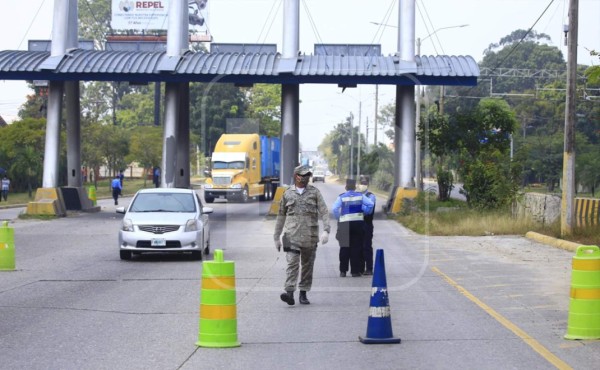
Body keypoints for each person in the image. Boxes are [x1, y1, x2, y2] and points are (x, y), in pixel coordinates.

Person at [274, 165, 331, 305]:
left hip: (310, 236)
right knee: (292, 264)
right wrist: (276, 236)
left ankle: (303, 293)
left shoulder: (315, 193)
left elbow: (324, 211)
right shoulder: (287, 194)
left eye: (308, 175)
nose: (305, 178)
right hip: (290, 236)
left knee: (307, 266)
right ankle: (289, 293)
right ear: (296, 176)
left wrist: (326, 230)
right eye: (303, 175)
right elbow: (281, 216)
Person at [332, 178, 374, 277]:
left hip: (344, 224)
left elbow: (334, 208)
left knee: (344, 247)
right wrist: (366, 211)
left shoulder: (341, 197)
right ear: (355, 187)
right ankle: (355, 271)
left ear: (346, 187)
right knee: (356, 247)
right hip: (358, 223)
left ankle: (343, 271)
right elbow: (371, 204)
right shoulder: (360, 196)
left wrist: (339, 218)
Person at [357, 175, 376, 275]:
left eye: (364, 183)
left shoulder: (371, 196)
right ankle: (360, 268)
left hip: (367, 223)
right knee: (358, 246)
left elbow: (369, 211)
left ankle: (369, 268)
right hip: (358, 224)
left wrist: (359, 207)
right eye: (361, 183)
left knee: (367, 246)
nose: (362, 185)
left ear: (368, 184)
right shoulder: (356, 194)